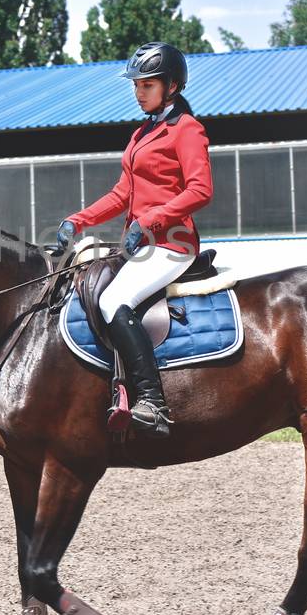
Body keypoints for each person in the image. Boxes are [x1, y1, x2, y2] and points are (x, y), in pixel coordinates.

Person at [53, 41, 213, 437]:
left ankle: (153, 403)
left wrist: (152, 219)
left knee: (113, 300)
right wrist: (79, 220)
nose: (138, 91)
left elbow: (201, 189)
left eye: (147, 84)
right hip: (142, 245)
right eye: (136, 85)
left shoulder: (186, 129)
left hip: (172, 244)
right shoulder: (142, 132)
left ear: (172, 86)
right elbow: (122, 194)